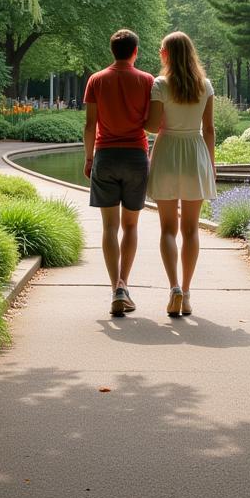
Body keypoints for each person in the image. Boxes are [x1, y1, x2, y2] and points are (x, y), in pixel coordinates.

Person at [144, 31, 217, 317]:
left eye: (161, 49)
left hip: (167, 151)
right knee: (191, 229)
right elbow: (209, 130)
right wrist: (210, 165)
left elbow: (151, 126)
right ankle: (186, 293)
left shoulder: (160, 84)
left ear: (167, 54)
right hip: (195, 153)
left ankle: (173, 286)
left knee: (167, 229)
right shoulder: (206, 85)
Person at [83, 28, 154, 317]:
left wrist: (89, 158)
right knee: (132, 226)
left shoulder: (96, 80)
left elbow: (90, 125)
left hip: (106, 156)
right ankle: (125, 284)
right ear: (135, 51)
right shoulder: (147, 81)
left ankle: (116, 288)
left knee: (110, 228)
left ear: (112, 51)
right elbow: (152, 122)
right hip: (136, 156)